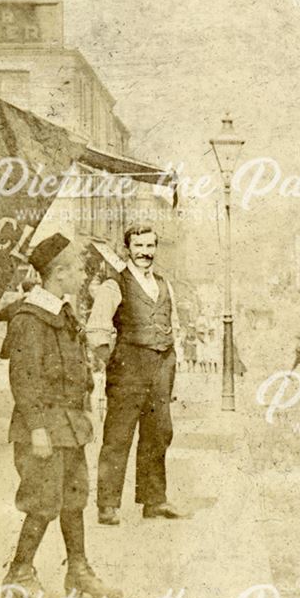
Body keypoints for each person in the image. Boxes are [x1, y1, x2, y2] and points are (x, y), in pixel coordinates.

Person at [1, 233, 121, 598]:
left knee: (73, 499)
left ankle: (79, 571)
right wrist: (37, 428)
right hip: (44, 429)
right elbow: (23, 378)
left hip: (69, 428)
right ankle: (19, 574)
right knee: (41, 501)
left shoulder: (61, 311)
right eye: (80, 270)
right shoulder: (29, 319)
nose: (85, 276)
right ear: (60, 274)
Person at [87, 224, 187, 525]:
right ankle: (108, 505)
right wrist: (113, 363)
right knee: (118, 436)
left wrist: (171, 363)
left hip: (161, 369)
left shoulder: (164, 284)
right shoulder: (114, 284)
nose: (145, 252)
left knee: (159, 433)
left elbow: (175, 325)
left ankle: (154, 501)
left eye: (150, 246)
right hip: (128, 370)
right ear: (127, 248)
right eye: (139, 246)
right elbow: (96, 329)